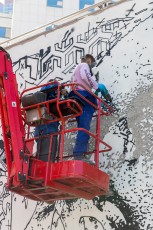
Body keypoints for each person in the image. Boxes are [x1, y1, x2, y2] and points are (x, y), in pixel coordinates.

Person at [70, 55, 111, 162]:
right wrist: (96, 86)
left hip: (77, 98)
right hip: (84, 98)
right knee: (84, 127)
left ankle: (81, 153)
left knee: (82, 127)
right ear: (89, 61)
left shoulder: (75, 70)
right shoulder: (84, 65)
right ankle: (79, 155)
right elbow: (85, 76)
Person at [34, 82, 60, 162]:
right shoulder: (49, 99)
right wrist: (59, 86)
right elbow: (51, 86)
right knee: (48, 158)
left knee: (44, 156)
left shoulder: (42, 101)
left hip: (42, 132)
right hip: (48, 132)